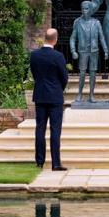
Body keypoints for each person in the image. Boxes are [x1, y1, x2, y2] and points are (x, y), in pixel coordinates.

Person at [29, 28, 68, 171]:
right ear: (55, 39)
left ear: (45, 38)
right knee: (55, 130)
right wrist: (58, 88)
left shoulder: (34, 55)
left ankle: (39, 161)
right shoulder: (58, 56)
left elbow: (35, 74)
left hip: (40, 95)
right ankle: (56, 163)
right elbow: (64, 77)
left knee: (40, 129)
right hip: (55, 97)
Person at [70, 0, 108, 103]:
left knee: (93, 74)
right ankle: (80, 94)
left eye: (86, 8)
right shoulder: (77, 22)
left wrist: (105, 50)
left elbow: (102, 38)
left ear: (90, 10)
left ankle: (91, 95)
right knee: (82, 73)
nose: (84, 11)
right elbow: (72, 38)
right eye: (82, 9)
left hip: (94, 51)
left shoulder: (96, 23)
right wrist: (73, 51)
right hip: (82, 51)